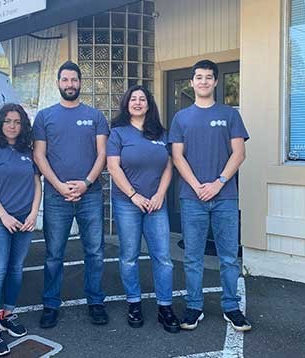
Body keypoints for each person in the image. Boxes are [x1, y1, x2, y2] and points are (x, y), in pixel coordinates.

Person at [169, 60, 252, 332]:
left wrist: (218, 183)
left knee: (228, 257)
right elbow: (177, 157)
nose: (203, 81)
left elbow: (239, 153)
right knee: (192, 257)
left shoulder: (229, 114)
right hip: (192, 198)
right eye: (199, 77)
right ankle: (194, 307)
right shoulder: (181, 118)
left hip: (225, 196)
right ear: (191, 83)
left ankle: (231, 307)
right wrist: (197, 186)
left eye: (208, 77)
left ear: (216, 82)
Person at [33, 61, 110, 328]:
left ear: (80, 83)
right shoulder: (44, 116)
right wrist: (57, 184)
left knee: (95, 251)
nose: (70, 84)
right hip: (57, 195)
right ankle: (51, 304)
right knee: (54, 253)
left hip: (90, 194)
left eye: (74, 80)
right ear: (58, 83)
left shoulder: (95, 115)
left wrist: (86, 183)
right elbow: (39, 154)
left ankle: (95, 301)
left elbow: (103, 154)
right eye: (65, 80)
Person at [107, 85, 180, 333]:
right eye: (133, 99)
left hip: (156, 204)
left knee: (163, 258)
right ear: (127, 104)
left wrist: (160, 194)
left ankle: (165, 307)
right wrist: (134, 195)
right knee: (129, 257)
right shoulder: (118, 133)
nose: (138, 102)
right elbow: (113, 168)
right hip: (127, 203)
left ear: (149, 105)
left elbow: (169, 167)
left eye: (142, 99)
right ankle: (134, 304)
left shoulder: (161, 133)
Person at [0, 103, 42, 356]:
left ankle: (7, 314)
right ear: (0, 124)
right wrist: (4, 216)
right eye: (7, 121)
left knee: (15, 270)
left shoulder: (28, 151)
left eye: (17, 122)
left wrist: (34, 214)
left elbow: (36, 184)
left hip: (24, 221)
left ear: (23, 126)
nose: (12, 126)